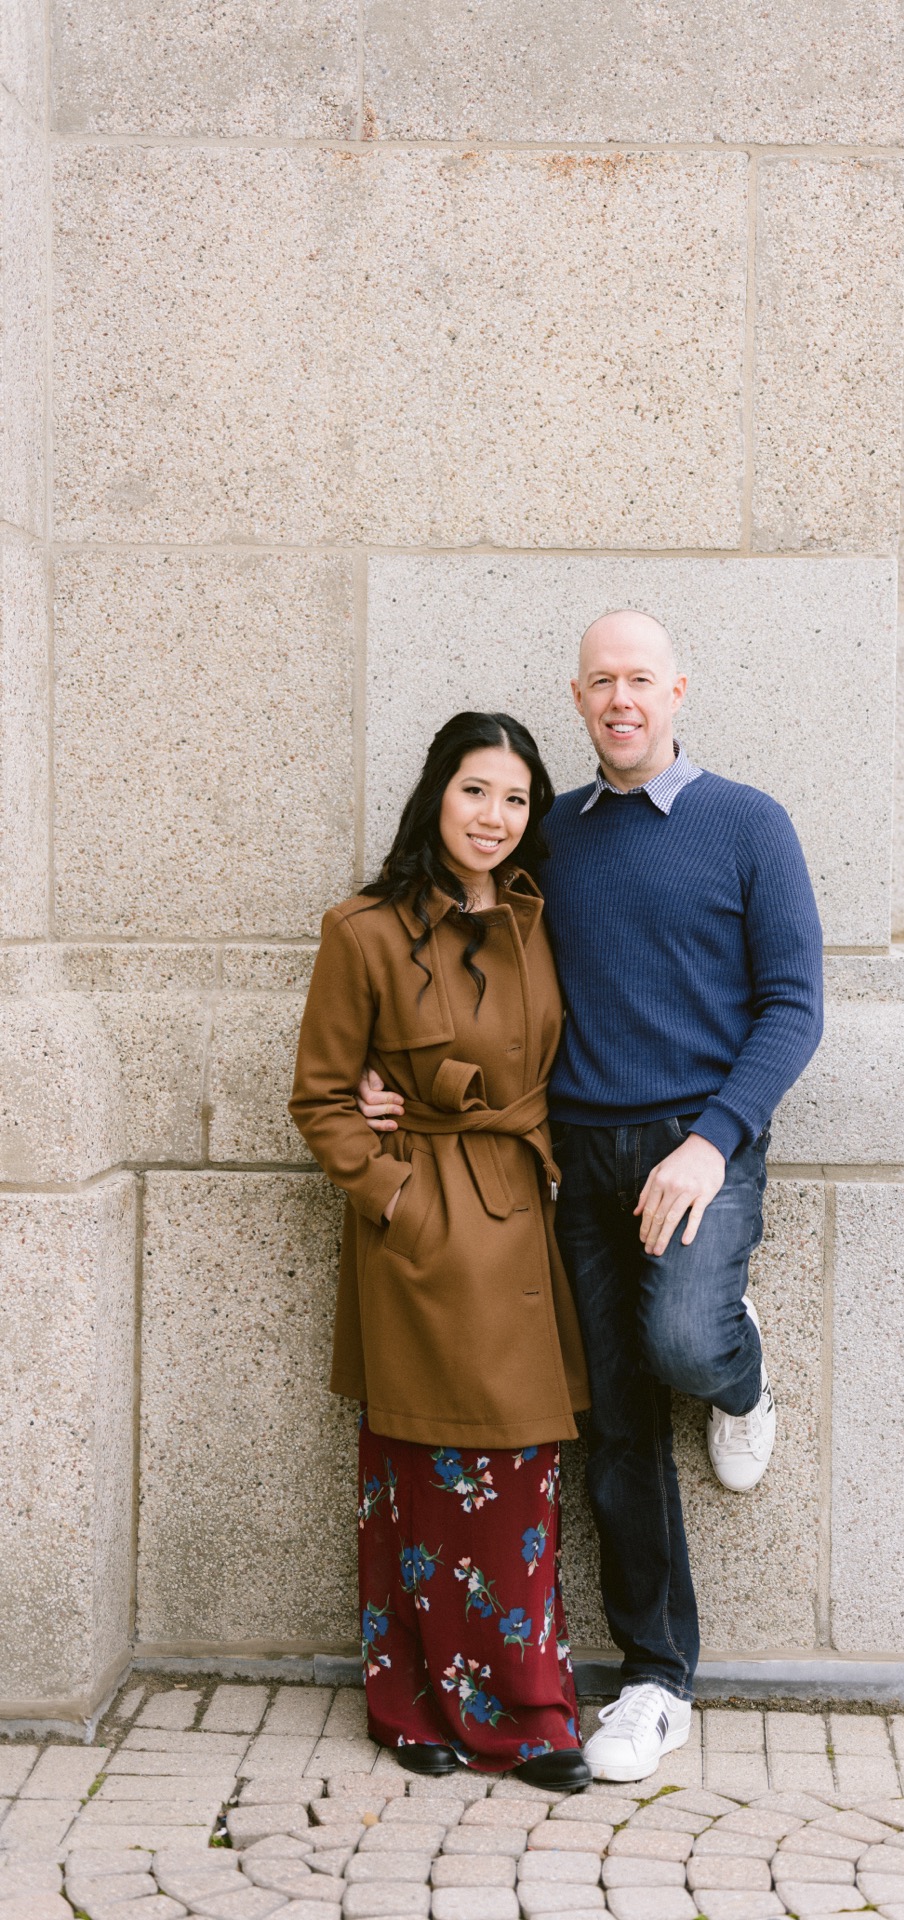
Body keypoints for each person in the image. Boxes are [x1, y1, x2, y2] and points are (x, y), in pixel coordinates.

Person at [358, 612, 824, 1785]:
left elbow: (793, 1006)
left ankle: (736, 1365)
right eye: (599, 682)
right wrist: (384, 1082)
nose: (621, 699)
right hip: (576, 1162)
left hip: (696, 1149)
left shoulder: (747, 823)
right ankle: (656, 1680)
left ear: (677, 689)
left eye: (640, 680)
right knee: (612, 1425)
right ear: (576, 698)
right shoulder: (546, 836)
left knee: (681, 1340)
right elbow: (453, 951)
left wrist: (713, 1143)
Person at [290, 710, 592, 1791]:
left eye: (515, 800)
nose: (495, 818)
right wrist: (397, 1202)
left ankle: (534, 1711)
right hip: (418, 1238)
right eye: (477, 792)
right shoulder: (362, 931)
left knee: (518, 1474)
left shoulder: (539, 920)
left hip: (518, 1216)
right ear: (436, 795)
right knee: (417, 1474)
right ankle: (408, 1704)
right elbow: (322, 1099)